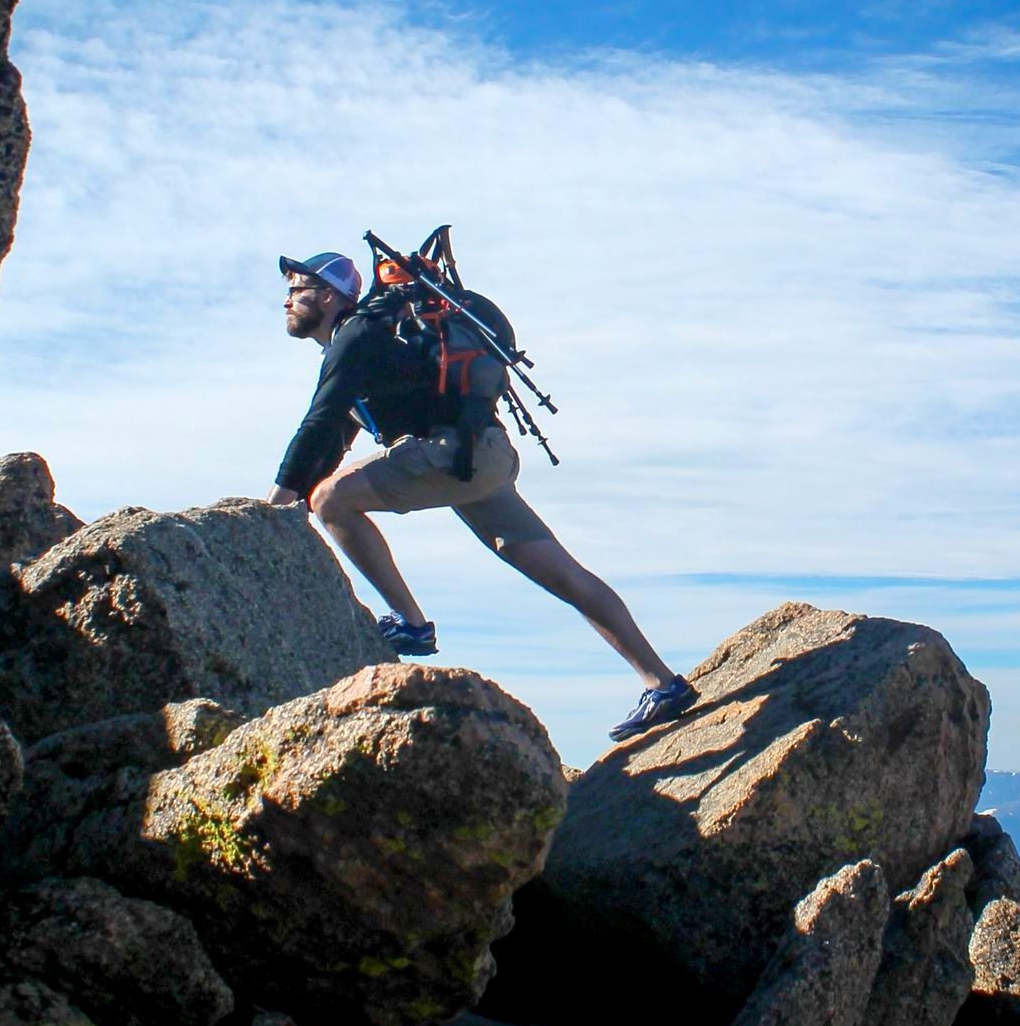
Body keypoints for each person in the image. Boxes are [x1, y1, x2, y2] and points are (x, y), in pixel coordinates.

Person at [262, 250, 697, 742]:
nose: (286, 301)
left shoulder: (357, 336)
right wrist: (290, 498)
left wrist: (272, 510)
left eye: (295, 290)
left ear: (328, 295)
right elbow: (333, 437)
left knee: (332, 499)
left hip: (457, 455)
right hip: (481, 454)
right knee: (563, 574)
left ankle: (411, 623)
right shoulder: (363, 340)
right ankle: (662, 683)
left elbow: (318, 424)